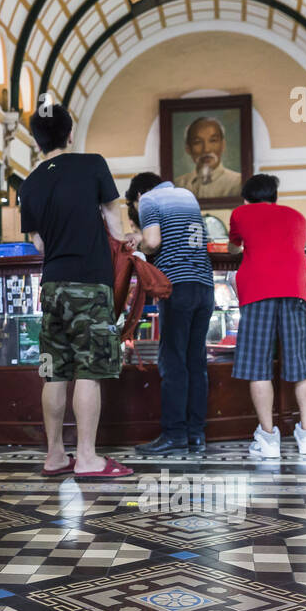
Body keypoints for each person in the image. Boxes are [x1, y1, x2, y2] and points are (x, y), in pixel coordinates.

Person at [18, 102, 131, 478]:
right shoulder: (93, 164)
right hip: (89, 282)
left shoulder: (30, 183)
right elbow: (116, 225)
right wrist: (130, 238)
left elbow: (39, 246)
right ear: (70, 134)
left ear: (37, 142)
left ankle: (54, 455)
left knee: (54, 370)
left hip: (51, 285)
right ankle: (86, 458)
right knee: (89, 368)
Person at [226, 174, 306, 458]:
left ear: (246, 197)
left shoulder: (240, 213)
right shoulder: (297, 216)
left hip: (257, 292)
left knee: (258, 366)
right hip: (295, 290)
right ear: (275, 196)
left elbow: (234, 247)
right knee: (302, 365)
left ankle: (268, 441)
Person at [127, 172, 215, 453]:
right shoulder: (187, 195)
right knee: (195, 363)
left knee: (173, 363)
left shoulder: (150, 199)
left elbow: (152, 242)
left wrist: (135, 245)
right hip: (204, 286)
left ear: (138, 194)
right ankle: (195, 435)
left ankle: (174, 435)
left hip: (177, 286)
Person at [174, 116, 243, 199]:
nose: (206, 149)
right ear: (188, 149)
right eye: (197, 142)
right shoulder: (177, 185)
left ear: (223, 145)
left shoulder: (238, 183)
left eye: (213, 140)